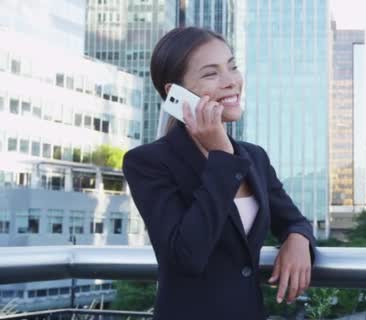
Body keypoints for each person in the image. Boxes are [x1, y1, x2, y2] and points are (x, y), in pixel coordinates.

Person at [122, 27, 316, 320]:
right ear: (175, 93)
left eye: (233, 67)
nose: (231, 82)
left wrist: (299, 240)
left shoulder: (255, 157)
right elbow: (186, 256)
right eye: (211, 74)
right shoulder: (148, 162)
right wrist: (221, 157)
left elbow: (294, 220)